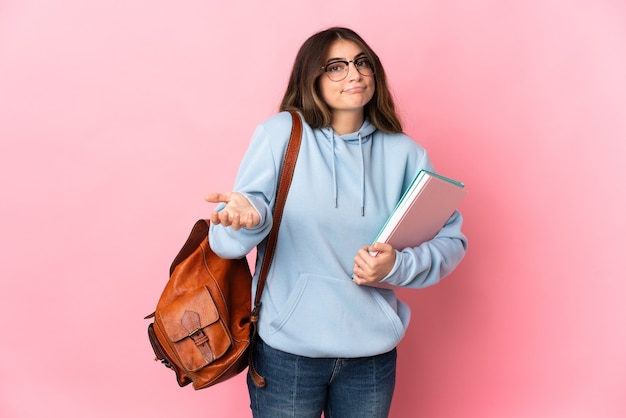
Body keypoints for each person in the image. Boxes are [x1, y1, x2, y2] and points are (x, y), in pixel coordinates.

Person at [205, 26, 467, 418]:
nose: (355, 74)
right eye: (336, 67)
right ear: (311, 78)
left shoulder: (406, 154)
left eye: (362, 63)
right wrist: (245, 221)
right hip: (287, 355)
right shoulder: (281, 135)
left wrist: (397, 265)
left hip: (371, 358)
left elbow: (450, 241)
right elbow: (228, 243)